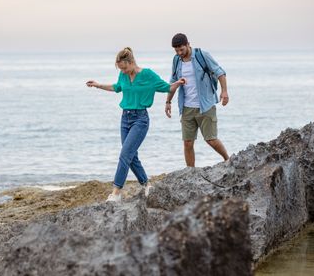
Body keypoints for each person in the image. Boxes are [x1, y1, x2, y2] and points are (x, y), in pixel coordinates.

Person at [87, 47, 185, 202]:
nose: (123, 71)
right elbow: (116, 87)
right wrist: (98, 85)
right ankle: (147, 185)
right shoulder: (123, 75)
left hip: (140, 119)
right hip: (124, 119)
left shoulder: (147, 74)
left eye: (125, 68)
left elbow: (167, 87)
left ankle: (116, 193)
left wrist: (178, 83)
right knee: (131, 156)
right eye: (121, 69)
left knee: (125, 155)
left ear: (131, 62)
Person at [165, 33, 230, 167]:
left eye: (181, 49)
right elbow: (173, 82)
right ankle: (191, 171)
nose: (179, 53)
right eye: (176, 50)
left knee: (211, 139)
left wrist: (224, 91)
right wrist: (168, 102)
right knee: (187, 142)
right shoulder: (176, 60)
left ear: (188, 44)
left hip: (205, 105)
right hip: (187, 107)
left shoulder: (202, 55)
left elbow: (220, 72)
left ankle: (228, 160)